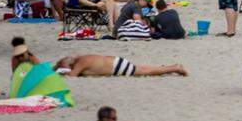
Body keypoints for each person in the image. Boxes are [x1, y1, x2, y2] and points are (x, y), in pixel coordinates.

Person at [54, 53, 186, 77]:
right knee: (143, 68)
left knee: (146, 71)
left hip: (116, 67)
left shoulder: (81, 63)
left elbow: (72, 75)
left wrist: (60, 72)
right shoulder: (84, 58)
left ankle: (174, 68)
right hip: (116, 62)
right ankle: (172, 66)